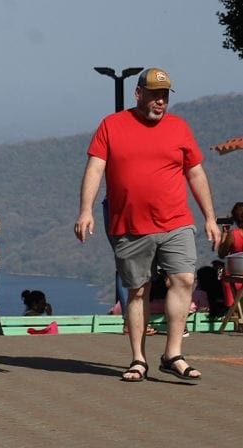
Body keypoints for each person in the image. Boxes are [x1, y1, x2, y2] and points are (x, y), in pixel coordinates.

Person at [75, 67, 220, 382]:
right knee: (137, 290)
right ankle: (138, 359)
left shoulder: (179, 128)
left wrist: (209, 216)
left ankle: (173, 354)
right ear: (138, 93)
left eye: (165, 96)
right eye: (154, 95)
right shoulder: (112, 126)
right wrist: (85, 210)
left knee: (183, 279)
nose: (160, 102)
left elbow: (195, 173)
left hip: (176, 221)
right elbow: (95, 168)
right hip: (128, 225)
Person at [217, 202, 243, 309]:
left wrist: (224, 235)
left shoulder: (234, 235)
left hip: (235, 277)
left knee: (222, 274)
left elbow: (221, 254)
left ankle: (232, 309)